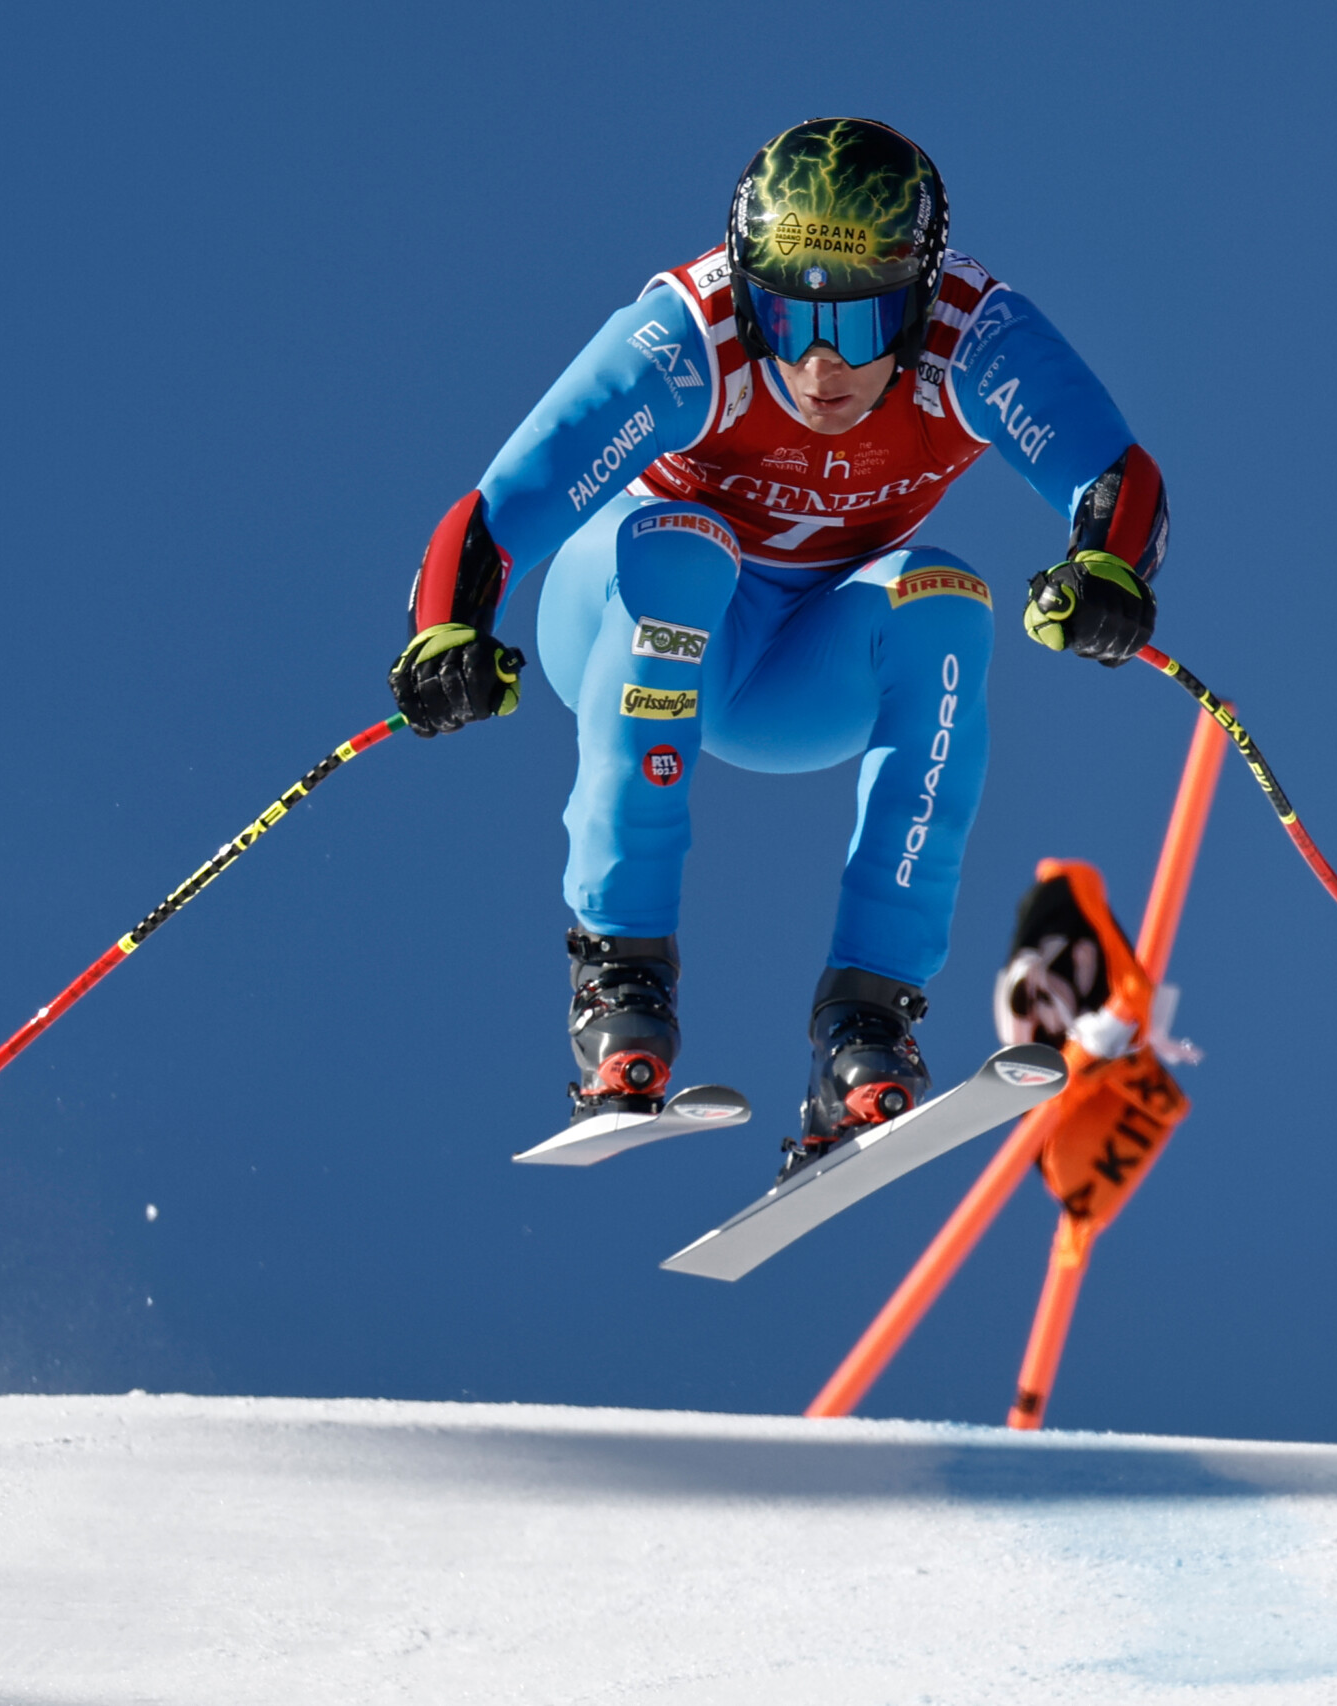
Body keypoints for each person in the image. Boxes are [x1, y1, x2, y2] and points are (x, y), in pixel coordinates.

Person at [388, 117, 1170, 1173]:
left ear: (919, 296)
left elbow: (1114, 480)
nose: (817, 359)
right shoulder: (689, 339)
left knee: (948, 600)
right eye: (787, 314)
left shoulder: (970, 339)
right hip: (630, 624)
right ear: (746, 287)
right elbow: (499, 510)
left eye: (857, 326)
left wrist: (1104, 573)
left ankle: (865, 1023)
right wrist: (449, 630)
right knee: (690, 545)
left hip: (795, 671)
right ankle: (619, 976)